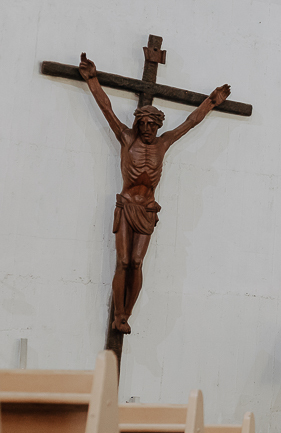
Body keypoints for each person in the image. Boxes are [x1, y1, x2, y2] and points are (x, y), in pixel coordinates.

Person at [78, 53, 230, 333]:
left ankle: (126, 314)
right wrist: (92, 79)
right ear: (137, 123)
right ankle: (118, 312)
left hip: (147, 211)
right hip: (126, 207)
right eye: (143, 124)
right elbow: (107, 109)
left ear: (159, 125)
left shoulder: (163, 143)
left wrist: (211, 102)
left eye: (153, 124)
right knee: (123, 261)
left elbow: (190, 122)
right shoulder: (126, 138)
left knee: (136, 263)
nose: (147, 129)